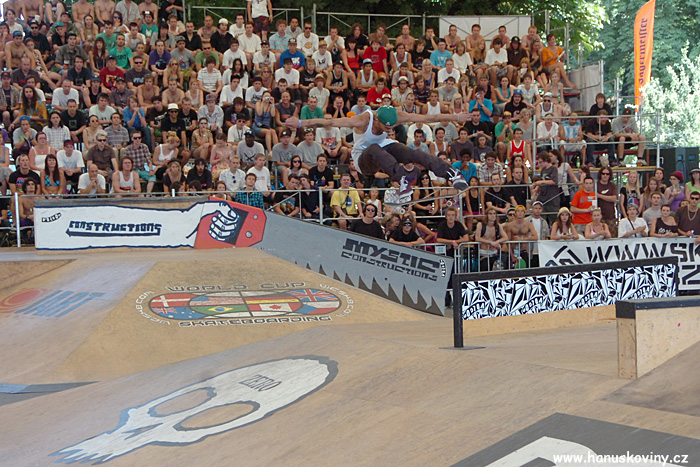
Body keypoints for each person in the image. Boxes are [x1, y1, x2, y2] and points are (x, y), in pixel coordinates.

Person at [286, 105, 467, 196]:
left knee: (412, 153)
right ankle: (401, 179)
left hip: (383, 148)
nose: (388, 129)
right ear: (378, 120)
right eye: (385, 127)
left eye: (391, 127)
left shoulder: (397, 115)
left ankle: (452, 173)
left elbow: (429, 118)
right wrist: (300, 123)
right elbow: (331, 122)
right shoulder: (364, 120)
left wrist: (456, 116)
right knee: (373, 148)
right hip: (363, 160)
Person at [596, 167, 619, 236]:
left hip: (610, 216)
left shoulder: (612, 185)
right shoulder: (596, 185)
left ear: (610, 175)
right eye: (603, 174)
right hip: (598, 217)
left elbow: (614, 198)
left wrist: (599, 196)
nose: (605, 175)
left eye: (607, 174)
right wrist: (607, 198)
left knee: (612, 236)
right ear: (600, 174)